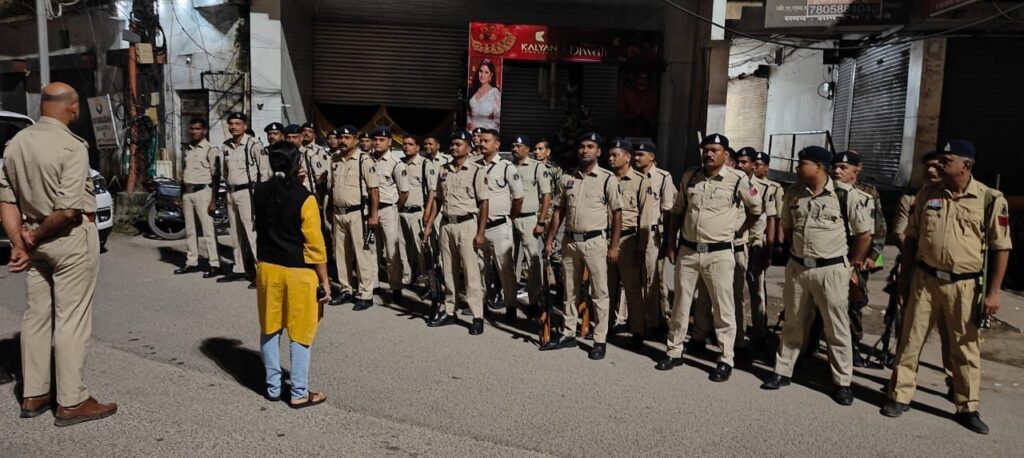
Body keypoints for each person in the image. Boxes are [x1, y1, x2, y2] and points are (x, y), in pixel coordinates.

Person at [0, 82, 117, 426]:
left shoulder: (16, 143)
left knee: (36, 317)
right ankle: (71, 401)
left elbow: (7, 200)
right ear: (72, 108)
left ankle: (34, 393)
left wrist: (20, 242)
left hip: (33, 241)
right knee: (71, 320)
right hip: (68, 239)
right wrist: (35, 236)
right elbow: (67, 211)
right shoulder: (72, 146)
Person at [882, 140, 1011, 435]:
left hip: (965, 286)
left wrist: (994, 292)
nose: (939, 164)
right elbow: (912, 238)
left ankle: (967, 407)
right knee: (910, 341)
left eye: (946, 160)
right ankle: (899, 396)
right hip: (924, 280)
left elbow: (1001, 247)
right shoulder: (928, 194)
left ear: (966, 165)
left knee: (965, 347)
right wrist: (904, 279)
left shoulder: (990, 199)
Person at [759, 146, 872, 406]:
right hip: (799, 268)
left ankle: (842, 382)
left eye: (802, 164)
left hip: (831, 270)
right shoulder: (794, 193)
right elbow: (788, 228)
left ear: (819, 167)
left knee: (836, 327)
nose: (797, 168)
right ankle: (782, 371)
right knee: (793, 322)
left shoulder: (845, 195)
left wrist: (852, 264)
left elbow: (864, 234)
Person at [657, 134, 762, 381]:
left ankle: (725, 358)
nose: (709, 154)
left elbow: (756, 210)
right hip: (689, 251)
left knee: (723, 307)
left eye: (715, 150)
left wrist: (739, 231)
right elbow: (678, 211)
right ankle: (674, 351)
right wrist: (671, 243)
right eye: (706, 149)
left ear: (726, 154)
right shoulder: (690, 176)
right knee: (681, 304)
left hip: (720, 253)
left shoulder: (738, 180)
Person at [253, 141, 331, 408]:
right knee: (300, 332)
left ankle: (273, 387)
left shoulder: (259, 191)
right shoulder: (305, 198)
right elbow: (315, 246)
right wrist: (325, 281)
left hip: (268, 269)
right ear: (297, 165)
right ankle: (298, 392)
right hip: (299, 272)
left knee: (270, 328)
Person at [540, 132, 622, 360]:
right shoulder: (568, 176)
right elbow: (558, 211)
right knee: (570, 289)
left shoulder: (607, 178)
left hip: (595, 242)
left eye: (590, 146)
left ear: (599, 152)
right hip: (570, 241)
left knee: (599, 292)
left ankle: (599, 339)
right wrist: (549, 240)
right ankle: (568, 332)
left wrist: (614, 246)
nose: (585, 150)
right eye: (582, 146)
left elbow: (617, 214)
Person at [422, 130, 490, 334]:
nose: (454, 147)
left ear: (469, 147)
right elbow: (438, 200)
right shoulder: (443, 170)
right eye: (452, 144)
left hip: (467, 224)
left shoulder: (477, 171)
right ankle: (450, 310)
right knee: (448, 270)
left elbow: (484, 203)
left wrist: (480, 232)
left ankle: (477, 315)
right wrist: (428, 226)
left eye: (458, 144)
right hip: (446, 224)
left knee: (470, 271)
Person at [832, 150, 887, 367]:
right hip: (833, 253)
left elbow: (878, 227)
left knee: (853, 303)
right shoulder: (828, 189)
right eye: (835, 166)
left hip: (857, 256)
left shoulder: (867, 192)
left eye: (843, 167)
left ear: (856, 170)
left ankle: (853, 345)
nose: (837, 171)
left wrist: (873, 255)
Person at [325, 126, 380, 310]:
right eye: (341, 137)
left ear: (356, 140)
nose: (343, 141)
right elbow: (332, 188)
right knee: (341, 253)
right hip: (338, 213)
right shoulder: (334, 159)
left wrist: (373, 215)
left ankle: (365, 293)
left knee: (362, 254)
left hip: (357, 214)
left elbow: (374, 190)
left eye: (347, 137)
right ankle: (346, 289)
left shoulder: (364, 160)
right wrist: (330, 209)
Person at [216, 112, 270, 288]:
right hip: (231, 192)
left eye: (237, 123)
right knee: (235, 233)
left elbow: (264, 172)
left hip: (248, 192)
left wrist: (261, 196)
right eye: (231, 123)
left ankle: (260, 272)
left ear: (245, 126)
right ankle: (239, 268)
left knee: (252, 233)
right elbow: (224, 171)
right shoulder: (226, 146)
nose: (233, 127)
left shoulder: (253, 144)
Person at [475, 129, 524, 321]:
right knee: (479, 268)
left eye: (486, 141)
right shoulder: (475, 165)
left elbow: (518, 197)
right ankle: (480, 305)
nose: (481, 144)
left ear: (497, 145)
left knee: (505, 269)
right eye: (480, 141)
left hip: (499, 227)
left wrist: (510, 217)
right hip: (479, 228)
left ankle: (510, 305)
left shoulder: (506, 167)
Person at [606, 139, 650, 347]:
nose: (611, 158)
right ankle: (604, 327)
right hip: (605, 237)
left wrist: (641, 248)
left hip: (628, 239)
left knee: (632, 288)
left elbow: (646, 218)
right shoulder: (606, 178)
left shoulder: (640, 181)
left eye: (615, 155)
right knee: (606, 287)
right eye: (609, 155)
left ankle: (637, 331)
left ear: (627, 157)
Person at [632, 141, 675, 335]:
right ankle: (631, 318)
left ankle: (653, 321)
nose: (636, 157)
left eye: (641, 154)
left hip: (652, 234)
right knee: (632, 279)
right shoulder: (631, 175)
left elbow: (668, 210)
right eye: (635, 154)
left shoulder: (663, 177)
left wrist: (667, 240)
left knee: (652, 279)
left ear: (652, 157)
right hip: (631, 232)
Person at [510, 135, 552, 316]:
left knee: (532, 261)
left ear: (527, 149)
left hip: (529, 220)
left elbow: (547, 195)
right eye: (513, 146)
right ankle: (510, 300)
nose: (515, 149)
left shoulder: (537, 167)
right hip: (510, 219)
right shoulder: (508, 167)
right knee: (510, 261)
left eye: (518, 146)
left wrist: (541, 221)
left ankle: (534, 301)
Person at [175, 118, 222, 278]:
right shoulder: (188, 149)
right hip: (188, 192)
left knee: (208, 230)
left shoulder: (210, 149)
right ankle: (191, 261)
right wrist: (181, 195)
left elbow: (216, 176)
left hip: (204, 191)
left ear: (204, 131)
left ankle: (215, 263)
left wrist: (214, 200)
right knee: (190, 229)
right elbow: (184, 173)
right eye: (192, 128)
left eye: (198, 129)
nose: (194, 131)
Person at [371, 125, 411, 304]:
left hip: (388, 209)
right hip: (370, 209)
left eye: (382, 140)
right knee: (371, 249)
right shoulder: (367, 160)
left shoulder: (396, 163)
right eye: (375, 139)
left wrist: (395, 207)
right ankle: (373, 285)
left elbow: (404, 192)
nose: (377, 143)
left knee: (391, 251)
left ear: (389, 142)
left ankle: (395, 286)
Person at [747, 151, 779, 347]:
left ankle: (759, 330)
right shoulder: (735, 183)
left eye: (757, 164)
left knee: (757, 290)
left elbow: (774, 219)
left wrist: (771, 249)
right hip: (737, 243)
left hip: (756, 243)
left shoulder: (767, 189)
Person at [399, 135, 437, 287]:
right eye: (404, 144)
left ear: (417, 147)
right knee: (403, 247)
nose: (406, 147)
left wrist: (427, 212)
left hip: (418, 212)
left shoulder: (425, 164)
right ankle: (407, 276)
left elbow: (432, 191)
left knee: (422, 247)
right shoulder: (400, 163)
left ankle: (426, 278)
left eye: (410, 144)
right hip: (402, 211)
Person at [467, 59, 501, 131]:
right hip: (471, 132)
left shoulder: (495, 92)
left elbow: (498, 119)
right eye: (481, 71)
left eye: (486, 72)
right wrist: (469, 123)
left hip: (486, 132)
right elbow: (467, 112)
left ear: (491, 75)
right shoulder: (473, 90)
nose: (482, 75)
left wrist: (482, 128)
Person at [300, 122, 330, 198]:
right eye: (304, 131)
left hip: (313, 190)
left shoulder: (319, 150)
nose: (306, 133)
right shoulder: (296, 149)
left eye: (310, 132)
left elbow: (323, 175)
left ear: (314, 135)